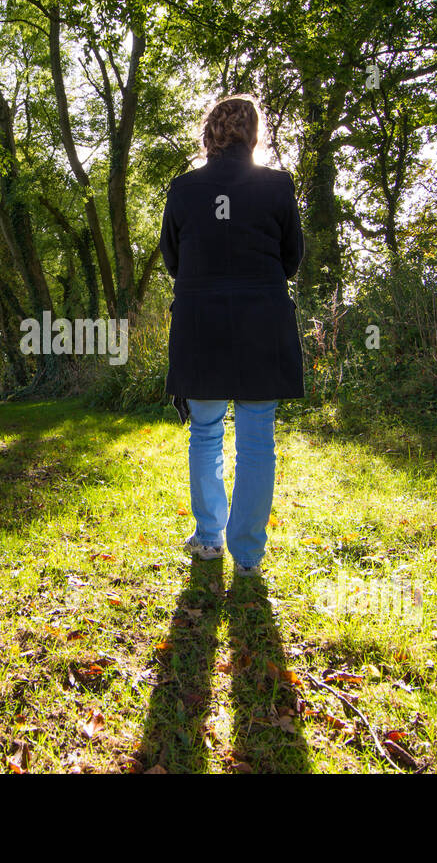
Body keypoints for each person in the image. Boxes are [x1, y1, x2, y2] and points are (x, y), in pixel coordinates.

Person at [158, 94, 306, 579]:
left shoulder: (181, 189)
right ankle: (247, 556)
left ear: (209, 134)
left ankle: (207, 539)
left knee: (204, 433)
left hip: (201, 320)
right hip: (261, 318)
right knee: (258, 441)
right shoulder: (279, 187)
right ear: (255, 134)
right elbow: (291, 259)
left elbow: (173, 261)